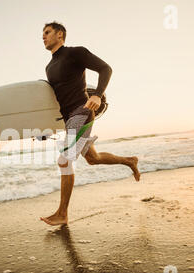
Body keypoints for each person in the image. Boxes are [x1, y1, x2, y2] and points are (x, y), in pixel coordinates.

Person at [40, 22, 140, 226]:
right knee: (93, 158)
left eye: (47, 32)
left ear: (60, 35)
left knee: (64, 160)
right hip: (69, 119)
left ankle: (62, 213)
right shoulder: (49, 67)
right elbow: (55, 100)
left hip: (82, 111)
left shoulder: (75, 53)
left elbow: (105, 69)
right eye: (42, 34)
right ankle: (130, 161)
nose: (43, 36)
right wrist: (44, 127)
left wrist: (97, 94)